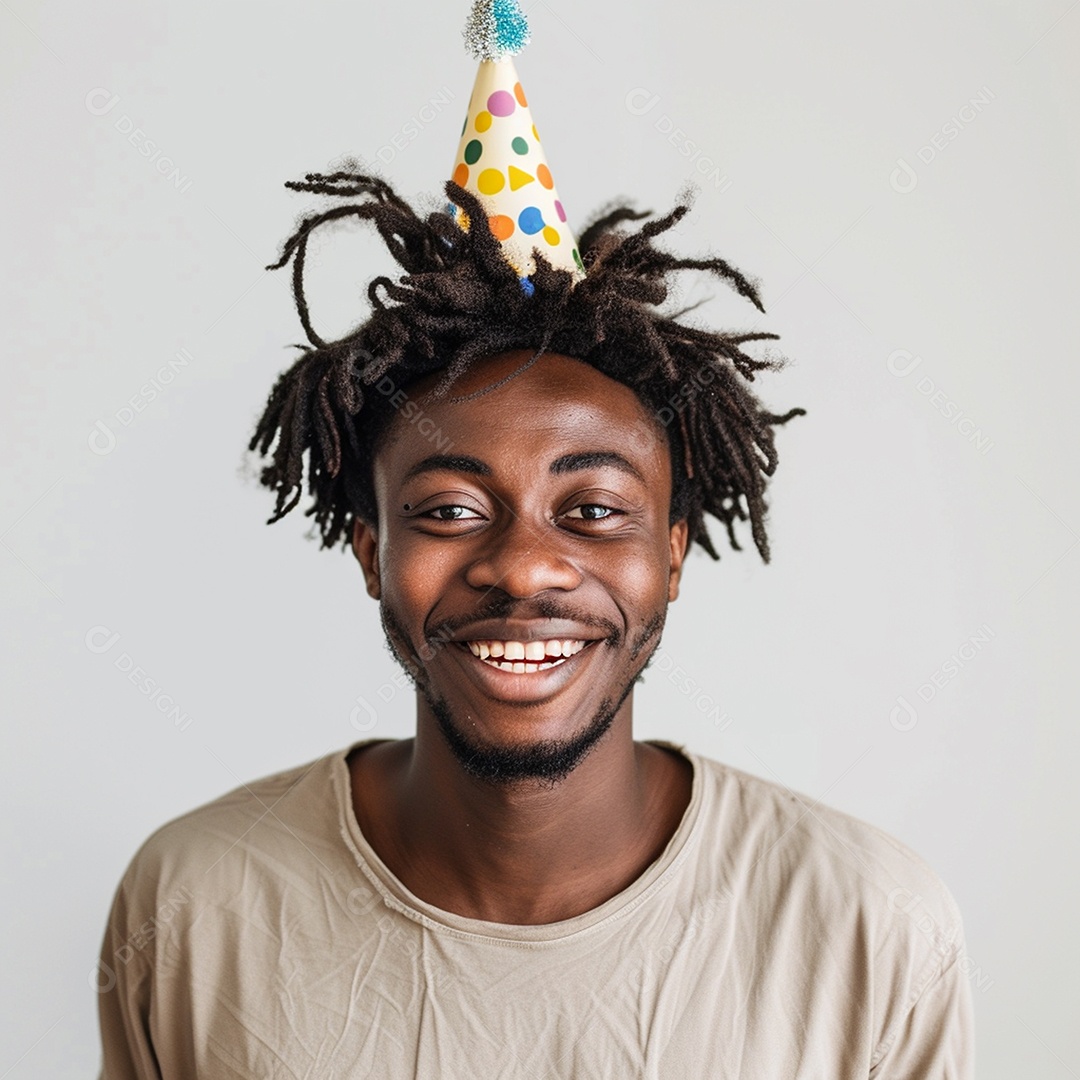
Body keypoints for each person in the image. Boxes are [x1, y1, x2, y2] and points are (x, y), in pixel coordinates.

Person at [95, 3, 974, 1076]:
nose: (520, 565)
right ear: (370, 548)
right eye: (449, 510)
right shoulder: (192, 903)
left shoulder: (869, 926)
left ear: (675, 551)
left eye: (594, 510)